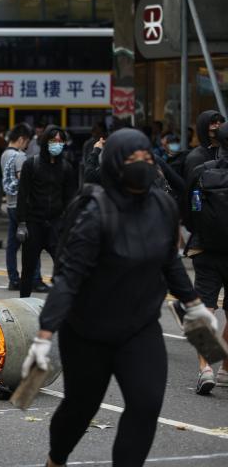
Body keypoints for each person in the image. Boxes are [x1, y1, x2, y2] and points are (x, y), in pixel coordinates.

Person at [21, 128, 216, 467]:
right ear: (113, 164)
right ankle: (56, 459)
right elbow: (68, 280)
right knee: (80, 408)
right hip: (88, 332)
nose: (142, 164)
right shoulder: (94, 213)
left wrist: (195, 304)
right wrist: (43, 337)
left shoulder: (162, 206)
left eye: (147, 157)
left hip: (140, 327)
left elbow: (169, 260)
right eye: (132, 159)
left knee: (146, 404)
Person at [179, 112, 228, 394]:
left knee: (204, 310)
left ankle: (204, 368)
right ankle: (225, 370)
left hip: (206, 249)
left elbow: (187, 210)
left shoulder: (200, 169)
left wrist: (198, 232)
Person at [16, 125, 74, 297]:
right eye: (53, 141)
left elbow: (70, 199)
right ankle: (23, 302)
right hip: (33, 224)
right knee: (28, 269)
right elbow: (23, 195)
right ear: (45, 142)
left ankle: (62, 303)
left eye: (60, 141)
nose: (57, 144)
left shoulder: (66, 168)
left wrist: (69, 224)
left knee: (64, 266)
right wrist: (21, 223)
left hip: (56, 224)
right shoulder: (31, 164)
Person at [1, 123, 42, 291]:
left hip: (10, 204)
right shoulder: (19, 156)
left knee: (12, 245)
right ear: (21, 139)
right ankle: (35, 279)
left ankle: (13, 279)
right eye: (27, 142)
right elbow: (23, 180)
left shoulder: (4, 154)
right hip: (22, 205)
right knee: (33, 242)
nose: (27, 146)